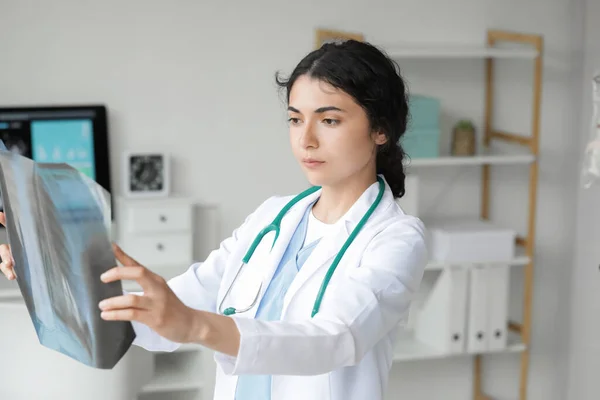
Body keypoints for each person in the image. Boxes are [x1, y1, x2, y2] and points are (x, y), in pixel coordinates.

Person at [0, 39, 428, 400]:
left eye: (329, 120)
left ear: (381, 129)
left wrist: (195, 327)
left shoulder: (395, 238)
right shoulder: (274, 216)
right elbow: (181, 302)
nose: (306, 139)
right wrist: (51, 273)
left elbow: (335, 339)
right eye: (296, 119)